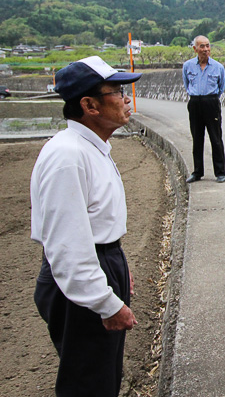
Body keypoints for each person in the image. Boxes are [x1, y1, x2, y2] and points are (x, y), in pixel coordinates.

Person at [31, 56, 141, 396]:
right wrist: (105, 303)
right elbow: (67, 247)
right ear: (89, 105)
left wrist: (118, 266)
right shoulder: (68, 156)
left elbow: (96, 224)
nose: (126, 98)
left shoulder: (92, 147)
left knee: (103, 375)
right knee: (88, 383)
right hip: (80, 282)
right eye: (117, 91)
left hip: (101, 263)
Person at [182, 35, 225, 183]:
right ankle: (197, 172)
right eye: (202, 46)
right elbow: (187, 84)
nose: (205, 49)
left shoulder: (218, 67)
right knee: (197, 139)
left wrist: (210, 99)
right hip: (195, 103)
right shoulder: (187, 66)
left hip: (211, 102)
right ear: (195, 49)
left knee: (216, 139)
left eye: (207, 46)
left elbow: (221, 87)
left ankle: (220, 172)